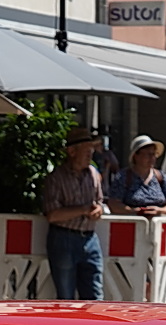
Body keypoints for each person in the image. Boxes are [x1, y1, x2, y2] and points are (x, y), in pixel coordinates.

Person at [42, 126, 106, 302]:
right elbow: (52, 215)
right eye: (86, 150)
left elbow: (100, 202)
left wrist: (98, 210)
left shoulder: (93, 174)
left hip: (90, 239)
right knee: (66, 298)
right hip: (64, 239)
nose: (90, 155)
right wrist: (84, 210)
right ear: (72, 151)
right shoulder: (55, 178)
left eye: (91, 150)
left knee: (95, 297)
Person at [105, 134, 166, 218]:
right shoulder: (123, 177)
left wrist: (159, 211)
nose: (152, 158)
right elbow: (114, 203)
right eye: (148, 154)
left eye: (154, 154)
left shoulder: (161, 177)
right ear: (136, 156)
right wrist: (133, 211)